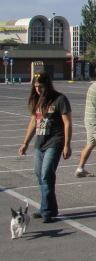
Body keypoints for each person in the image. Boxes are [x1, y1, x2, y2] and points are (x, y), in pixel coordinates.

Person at [18, 73, 72, 223]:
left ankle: (47, 211)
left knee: (46, 175)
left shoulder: (60, 99)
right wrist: (25, 143)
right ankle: (48, 208)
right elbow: (33, 123)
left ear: (47, 85)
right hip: (39, 144)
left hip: (55, 142)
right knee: (40, 177)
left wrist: (67, 145)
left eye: (41, 87)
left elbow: (67, 122)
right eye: (36, 87)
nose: (38, 90)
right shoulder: (37, 100)